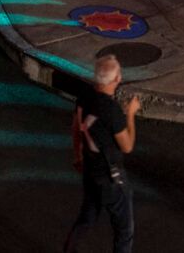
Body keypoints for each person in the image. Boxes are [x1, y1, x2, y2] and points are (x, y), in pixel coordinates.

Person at [65, 54, 140, 252]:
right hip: (111, 178)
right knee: (124, 232)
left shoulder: (84, 98)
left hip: (91, 171)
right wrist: (130, 114)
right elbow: (127, 146)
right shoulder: (112, 110)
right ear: (116, 79)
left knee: (86, 219)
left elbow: (76, 128)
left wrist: (78, 156)